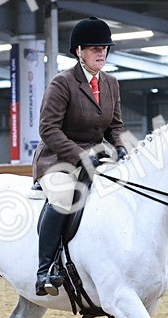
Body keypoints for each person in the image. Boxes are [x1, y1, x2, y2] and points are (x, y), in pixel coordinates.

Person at [31, 17, 127, 296]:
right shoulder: (62, 83)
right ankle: (45, 270)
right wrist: (81, 156)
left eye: (104, 48)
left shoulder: (111, 83)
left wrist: (120, 146)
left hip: (96, 159)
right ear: (79, 51)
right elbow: (48, 129)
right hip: (58, 159)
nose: (102, 53)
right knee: (64, 197)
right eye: (95, 48)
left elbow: (115, 126)